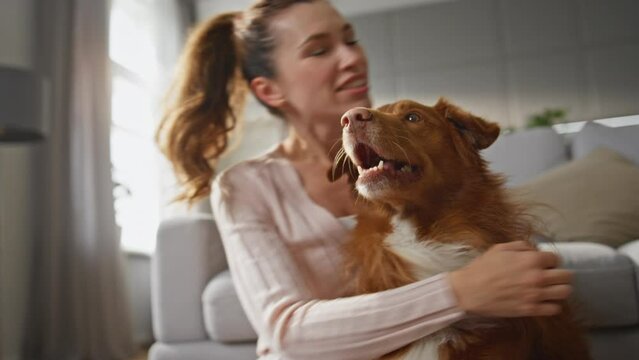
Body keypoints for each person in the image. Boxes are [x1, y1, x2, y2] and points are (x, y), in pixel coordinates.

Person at [156, 1, 573, 359]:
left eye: (350, 40)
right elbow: (285, 331)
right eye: (319, 50)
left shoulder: (408, 155)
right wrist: (459, 292)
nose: (352, 58)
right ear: (270, 90)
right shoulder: (245, 187)